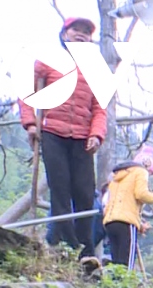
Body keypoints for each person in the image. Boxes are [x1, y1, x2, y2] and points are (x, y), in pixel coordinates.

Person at [19, 17, 107, 260]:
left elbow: (100, 109)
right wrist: (29, 124)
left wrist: (96, 134)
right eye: (75, 30)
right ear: (64, 34)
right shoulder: (48, 60)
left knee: (85, 194)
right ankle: (66, 247)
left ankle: (86, 252)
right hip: (52, 133)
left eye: (86, 32)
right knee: (60, 189)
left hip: (82, 138)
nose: (81, 35)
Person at [100, 145, 153, 269]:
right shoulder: (141, 171)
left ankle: (115, 286)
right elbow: (141, 194)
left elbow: (121, 202)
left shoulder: (117, 175)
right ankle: (125, 287)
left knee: (117, 261)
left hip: (110, 221)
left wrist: (139, 225)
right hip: (126, 222)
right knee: (126, 262)